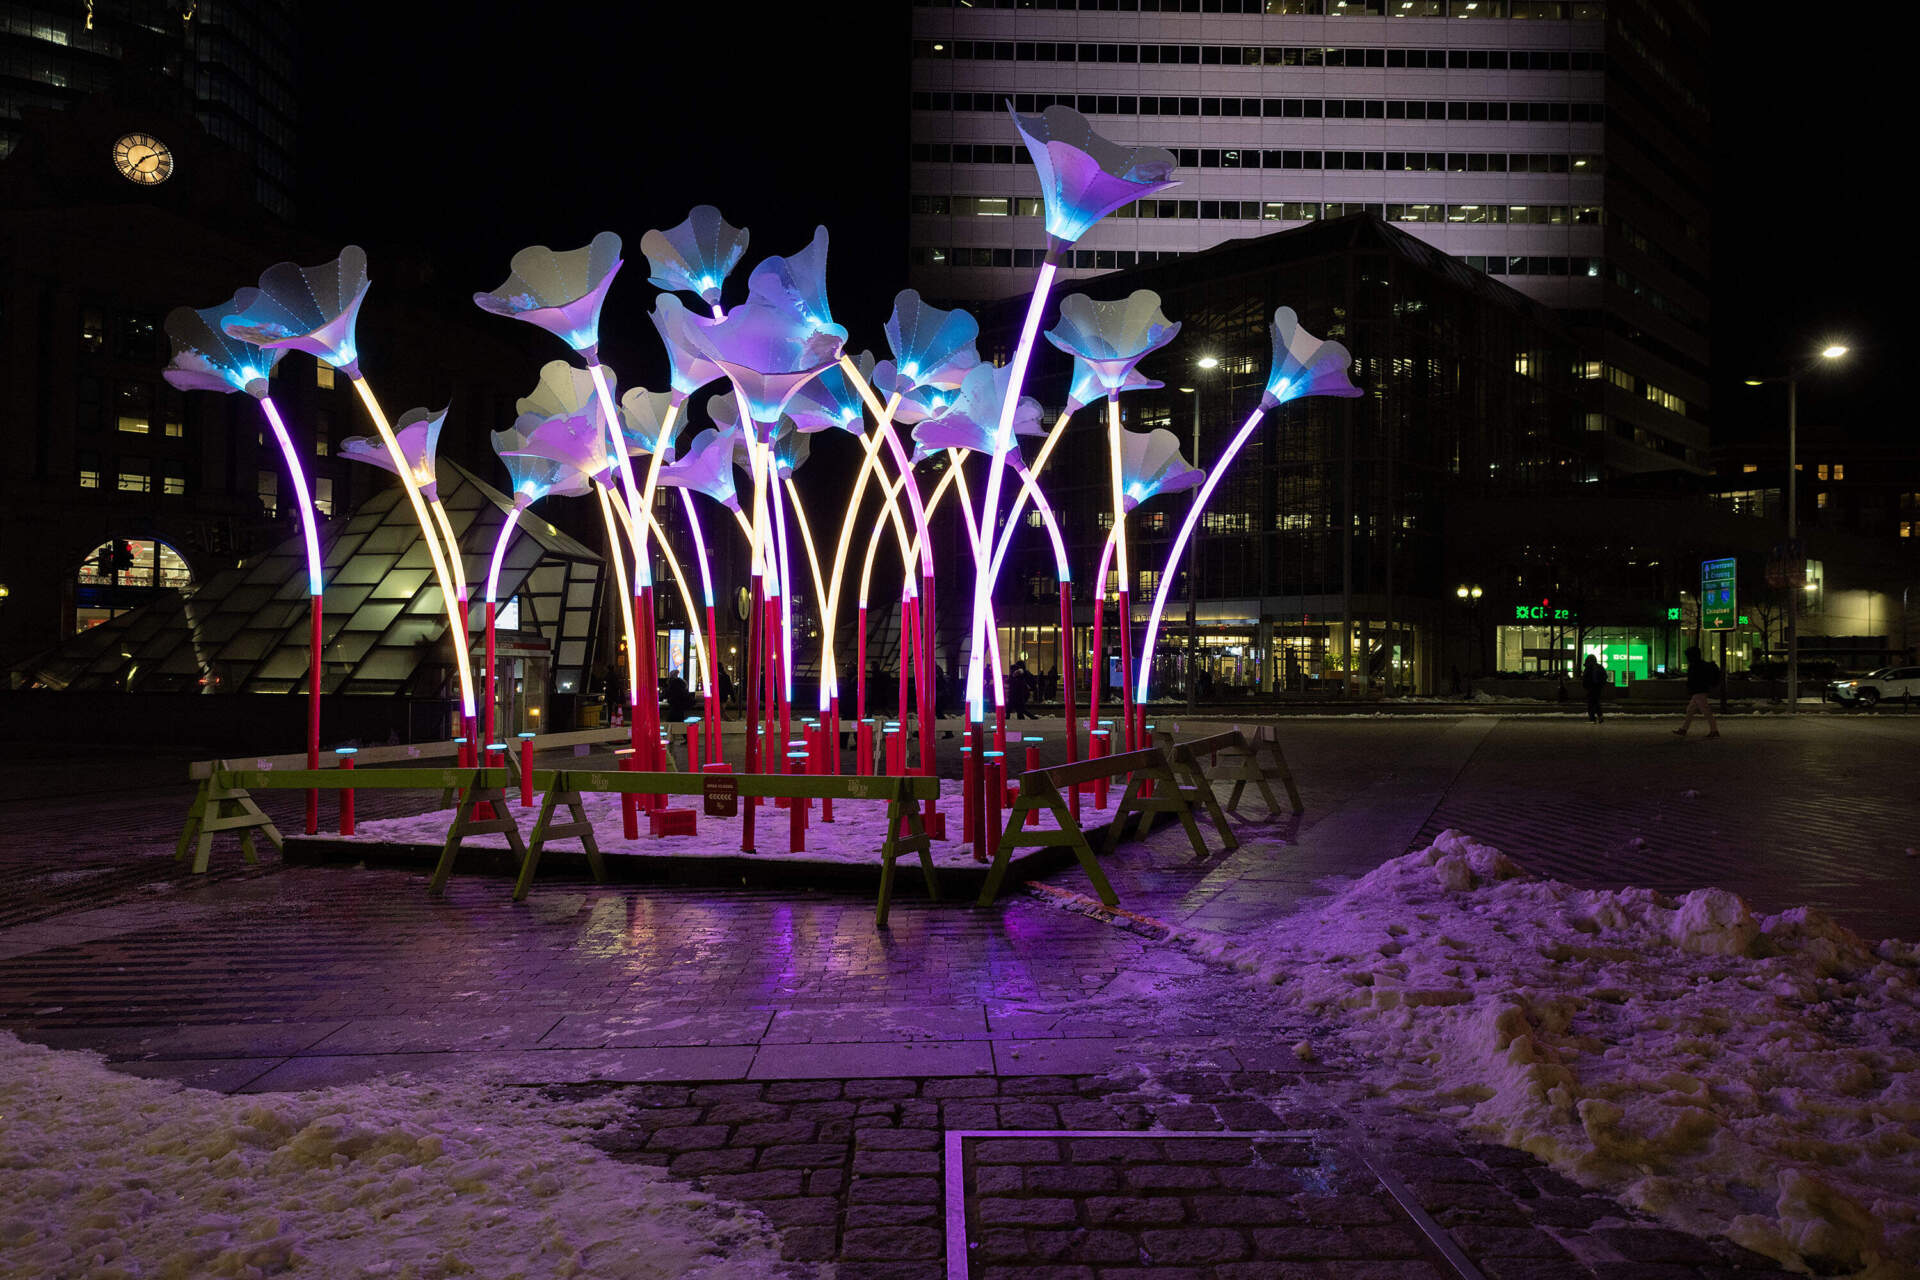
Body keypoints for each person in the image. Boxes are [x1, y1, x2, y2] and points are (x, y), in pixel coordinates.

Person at [1674, 645, 1721, 738]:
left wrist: (1689, 687)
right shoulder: (1701, 664)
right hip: (1701, 690)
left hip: (1698, 691)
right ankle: (1684, 729)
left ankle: (1714, 730)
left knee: (1705, 710)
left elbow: (1693, 679)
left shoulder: (1695, 665)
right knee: (1691, 709)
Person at [1581, 654, 1608, 724]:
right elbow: (1605, 676)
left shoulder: (1588, 668)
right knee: (1596, 702)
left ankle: (1592, 718)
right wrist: (1601, 684)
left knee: (1591, 703)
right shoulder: (1599, 667)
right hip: (1598, 688)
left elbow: (1585, 678)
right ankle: (1600, 716)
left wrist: (1585, 686)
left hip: (1590, 688)